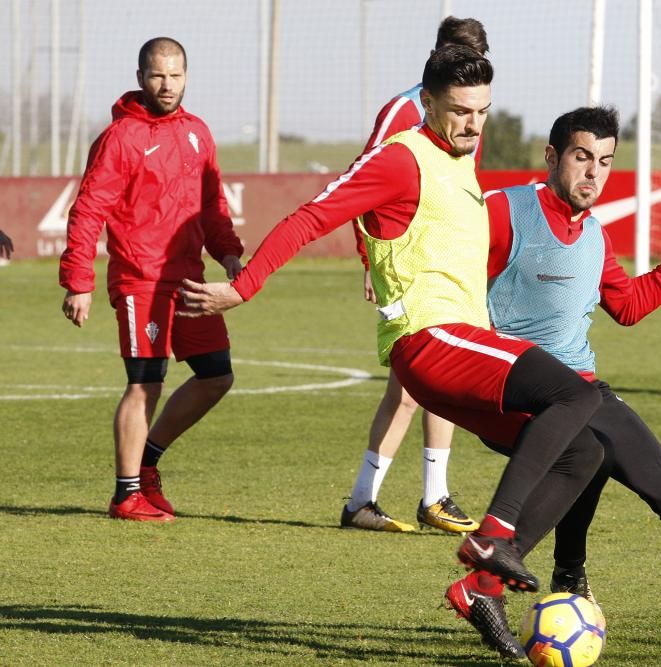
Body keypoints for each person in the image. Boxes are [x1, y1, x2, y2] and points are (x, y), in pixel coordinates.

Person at [179, 46, 609, 661]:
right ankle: (491, 541)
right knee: (578, 392)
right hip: (427, 340)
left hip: (464, 345)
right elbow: (312, 216)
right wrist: (244, 286)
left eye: (482, 112)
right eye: (459, 111)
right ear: (426, 103)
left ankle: (481, 589)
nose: (472, 124)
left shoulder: (461, 157)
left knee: (583, 449)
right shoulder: (401, 159)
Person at [443, 106, 661, 654]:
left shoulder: (593, 234)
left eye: (604, 161)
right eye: (581, 157)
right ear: (552, 157)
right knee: (585, 454)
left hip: (584, 389)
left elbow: (627, 306)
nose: (593, 173)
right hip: (519, 389)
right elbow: (447, 266)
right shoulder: (505, 211)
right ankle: (496, 581)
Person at [59, 37, 243, 522]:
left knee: (216, 374)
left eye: (176, 75)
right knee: (146, 382)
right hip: (141, 278)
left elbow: (211, 204)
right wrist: (78, 280)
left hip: (189, 280)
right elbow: (88, 210)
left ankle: (148, 461)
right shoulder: (120, 137)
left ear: (187, 75)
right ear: (141, 77)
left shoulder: (198, 133)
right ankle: (126, 495)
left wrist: (227, 251)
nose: (167, 84)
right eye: (158, 75)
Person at [341, 16, 489, 535]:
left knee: (432, 385)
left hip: (444, 273)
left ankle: (420, 496)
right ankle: (384, 499)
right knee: (410, 390)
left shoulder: (467, 114)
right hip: (404, 271)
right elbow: (361, 184)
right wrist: (370, 262)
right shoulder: (404, 111)